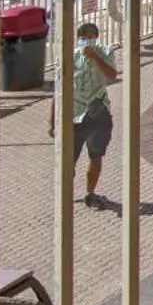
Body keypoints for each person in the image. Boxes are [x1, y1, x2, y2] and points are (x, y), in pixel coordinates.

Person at [48, 20, 118, 209]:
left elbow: (112, 75)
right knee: (68, 159)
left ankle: (90, 193)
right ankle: (65, 194)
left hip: (98, 113)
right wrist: (53, 121)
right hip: (73, 115)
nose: (86, 41)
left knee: (96, 155)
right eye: (82, 38)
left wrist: (96, 57)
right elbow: (59, 89)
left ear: (96, 38)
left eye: (89, 38)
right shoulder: (69, 58)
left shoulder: (105, 52)